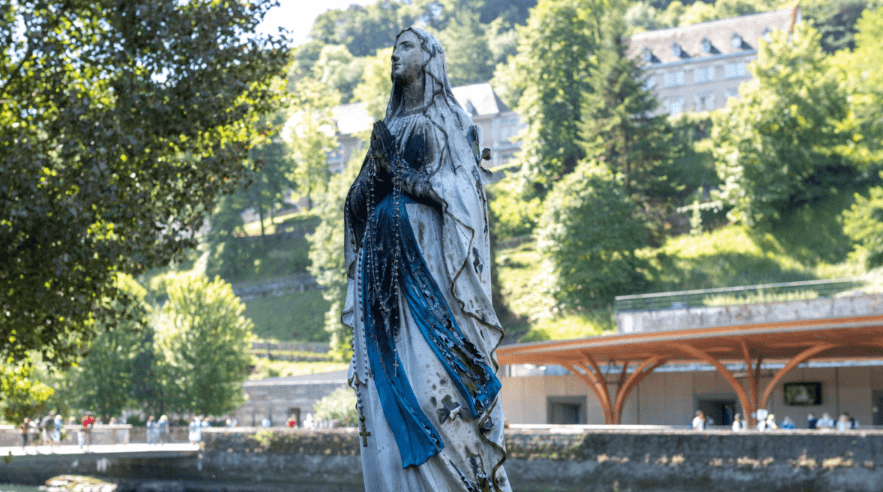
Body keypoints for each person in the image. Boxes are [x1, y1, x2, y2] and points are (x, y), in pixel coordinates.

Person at [343, 27, 511, 492]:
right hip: (381, 273)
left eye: (406, 46)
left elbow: (464, 197)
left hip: (431, 275)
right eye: (393, 47)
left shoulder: (450, 120)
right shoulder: (390, 125)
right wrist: (373, 177)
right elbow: (356, 207)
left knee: (432, 387)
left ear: (430, 56)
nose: (395, 54)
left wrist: (402, 175)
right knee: (384, 388)